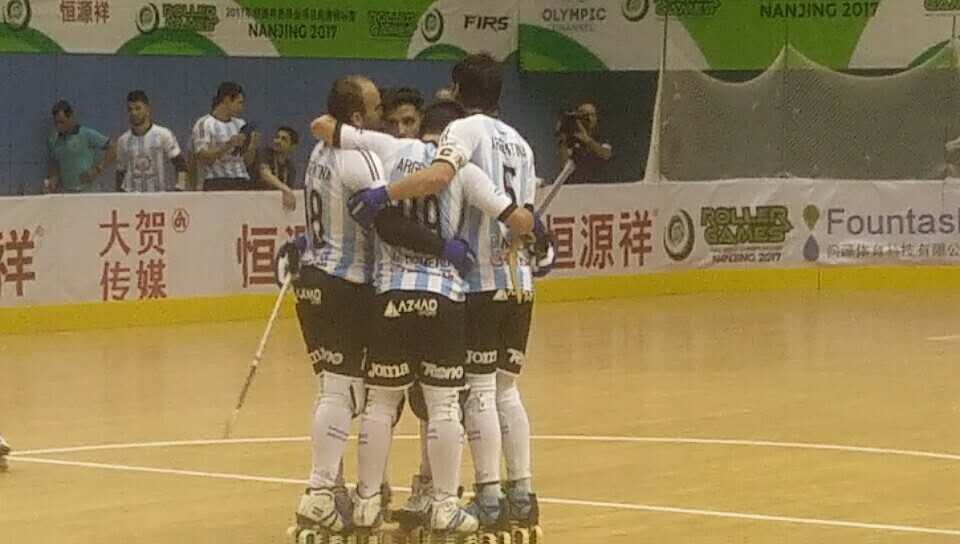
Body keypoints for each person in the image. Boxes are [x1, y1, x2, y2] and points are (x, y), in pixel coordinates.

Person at [343, 53, 554, 537]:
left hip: (476, 279)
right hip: (518, 281)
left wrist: (385, 195)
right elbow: (524, 217)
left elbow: (439, 176)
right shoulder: (521, 143)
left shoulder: (461, 131)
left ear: (458, 89)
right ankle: (523, 492)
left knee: (476, 392)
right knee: (507, 391)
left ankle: (490, 496)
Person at [281, 75, 480, 538]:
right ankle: (322, 492)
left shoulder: (319, 153)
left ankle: (341, 492)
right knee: (349, 395)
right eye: (374, 110)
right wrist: (442, 247)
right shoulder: (364, 159)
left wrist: (304, 241)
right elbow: (388, 223)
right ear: (357, 117)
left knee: (343, 393)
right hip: (347, 283)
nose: (381, 117)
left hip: (315, 279)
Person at [115, 90, 188, 193]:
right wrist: (120, 196)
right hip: (132, 198)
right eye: (130, 109)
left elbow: (181, 165)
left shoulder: (163, 134)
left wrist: (179, 190)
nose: (134, 113)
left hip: (159, 197)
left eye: (138, 108)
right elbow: (120, 172)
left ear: (147, 109)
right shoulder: (123, 141)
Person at [191, 81, 258, 191]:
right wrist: (228, 145)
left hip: (242, 179)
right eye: (239, 103)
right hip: (217, 181)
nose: (241, 108)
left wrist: (252, 146)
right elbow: (203, 157)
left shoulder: (241, 124)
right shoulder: (204, 123)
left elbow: (247, 161)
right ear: (227, 100)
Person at [45, 100, 116, 193]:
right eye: (56, 123)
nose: (59, 126)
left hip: (87, 192)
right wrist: (52, 183)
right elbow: (55, 165)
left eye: (62, 122)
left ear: (71, 117)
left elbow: (113, 148)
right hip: (67, 192)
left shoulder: (86, 134)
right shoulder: (53, 140)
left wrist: (98, 169)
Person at [556, 101, 613, 183]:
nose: (589, 119)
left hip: (599, 182)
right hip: (576, 184)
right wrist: (562, 139)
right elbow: (563, 165)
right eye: (585, 115)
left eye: (592, 115)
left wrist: (587, 140)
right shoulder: (572, 137)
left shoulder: (601, 135)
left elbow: (606, 154)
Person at [253, 126, 299, 210]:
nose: (278, 141)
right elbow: (265, 174)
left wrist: (287, 192)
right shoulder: (265, 153)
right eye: (277, 137)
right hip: (254, 202)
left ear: (292, 146)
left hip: (273, 206)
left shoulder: (290, 168)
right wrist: (286, 190)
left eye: (283, 139)